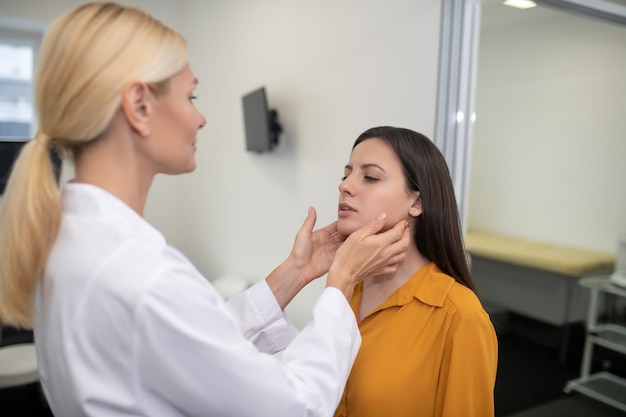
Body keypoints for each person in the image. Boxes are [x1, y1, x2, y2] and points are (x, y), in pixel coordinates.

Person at [0, 3, 411, 416]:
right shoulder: (143, 274)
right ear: (139, 106)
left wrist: (296, 273)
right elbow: (294, 406)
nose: (201, 119)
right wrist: (340, 284)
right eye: (190, 96)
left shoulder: (70, 238)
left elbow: (191, 347)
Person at [333, 126, 498, 417]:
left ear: (417, 202)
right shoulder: (346, 287)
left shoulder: (460, 317)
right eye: (347, 174)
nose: (345, 186)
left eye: (370, 177)